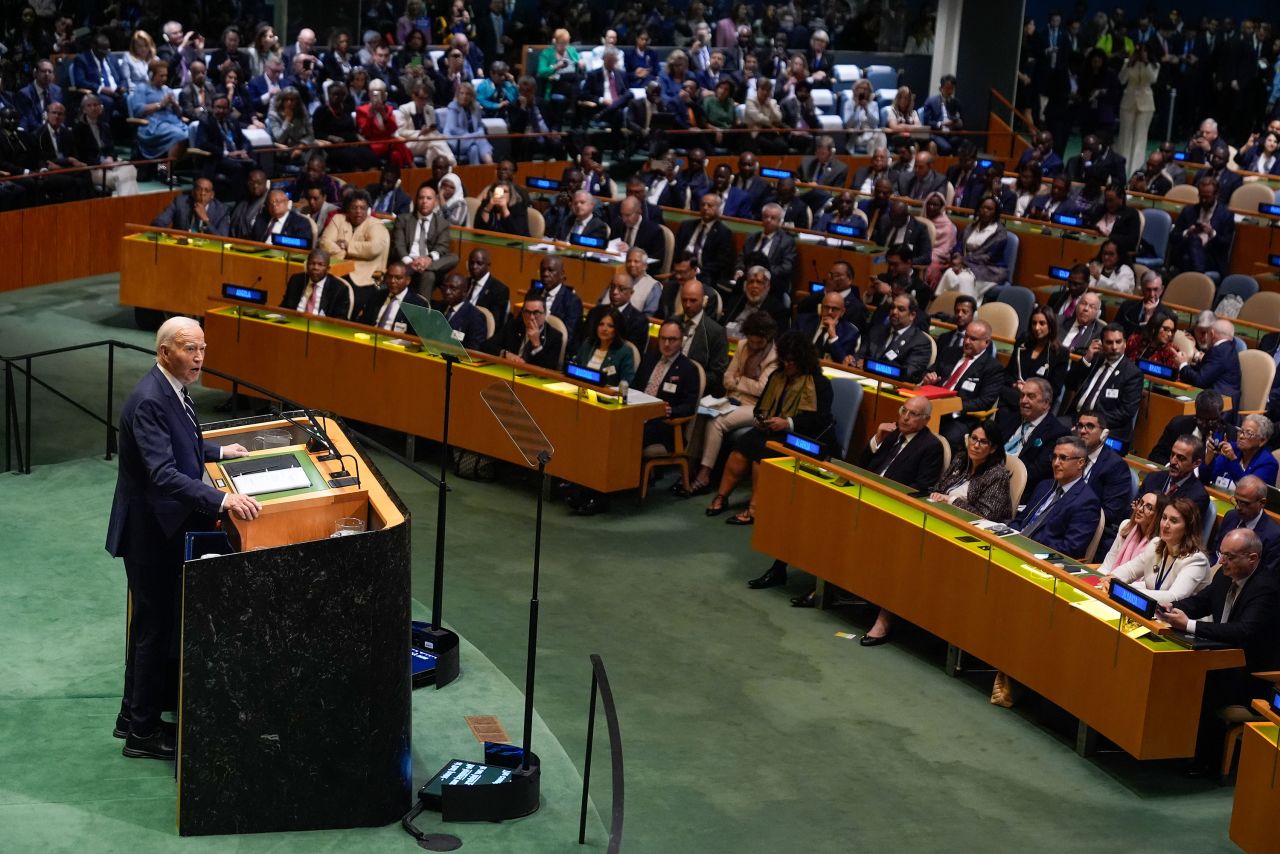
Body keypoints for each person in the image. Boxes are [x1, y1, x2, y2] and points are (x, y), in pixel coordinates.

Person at [106, 317, 261, 760]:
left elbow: (180, 443)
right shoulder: (150, 400)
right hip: (152, 533)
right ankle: (143, 734)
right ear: (164, 352)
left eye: (203, 349)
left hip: (162, 526)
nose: (198, 358)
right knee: (154, 629)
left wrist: (216, 451)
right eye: (190, 349)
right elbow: (163, 472)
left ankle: (130, 717)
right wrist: (222, 501)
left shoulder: (171, 390)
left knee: (151, 627)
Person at [1163, 528, 1280, 774]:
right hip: (1222, 661)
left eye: (1230, 556)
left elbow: (1243, 632)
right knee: (1180, 673)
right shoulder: (1224, 576)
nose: (1222, 562)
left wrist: (1190, 625)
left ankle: (1206, 761)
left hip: (1253, 675)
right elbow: (1200, 602)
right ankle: (1172, 745)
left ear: (1252, 558)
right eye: (1221, 554)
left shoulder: (1265, 588)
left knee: (1200, 684)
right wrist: (1169, 608)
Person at [707, 331, 833, 525]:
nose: (787, 365)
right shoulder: (777, 375)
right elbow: (760, 406)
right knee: (742, 446)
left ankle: (755, 509)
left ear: (802, 359)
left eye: (792, 361)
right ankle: (722, 497)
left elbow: (820, 420)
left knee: (762, 454)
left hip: (799, 436)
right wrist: (759, 418)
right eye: (784, 360)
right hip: (771, 430)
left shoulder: (819, 384)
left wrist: (788, 423)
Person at [679, 312, 778, 499]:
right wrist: (743, 381)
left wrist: (738, 380)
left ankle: (704, 474)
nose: (754, 347)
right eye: (752, 342)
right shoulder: (742, 346)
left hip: (756, 407)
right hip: (731, 398)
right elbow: (726, 378)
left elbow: (762, 389)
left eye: (759, 343)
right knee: (700, 411)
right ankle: (688, 466)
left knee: (715, 422)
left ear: (768, 338)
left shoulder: (775, 357)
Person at [1010, 436, 1104, 559]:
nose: (1055, 463)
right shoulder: (1044, 485)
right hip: (1014, 546)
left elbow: (1070, 549)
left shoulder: (1087, 502)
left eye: (1063, 458)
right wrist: (1008, 534)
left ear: (1080, 463)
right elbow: (1022, 520)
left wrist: (1029, 543)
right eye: (1054, 457)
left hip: (1041, 559)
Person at [919, 319, 1005, 447]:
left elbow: (985, 401)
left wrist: (951, 406)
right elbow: (929, 371)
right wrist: (927, 378)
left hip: (960, 418)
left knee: (945, 439)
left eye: (973, 339)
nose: (967, 341)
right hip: (931, 407)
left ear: (986, 342)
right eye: (966, 336)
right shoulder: (950, 352)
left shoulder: (992, 367)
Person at [1064, 323, 1143, 441]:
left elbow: (1126, 412)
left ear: (1125, 343)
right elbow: (1069, 383)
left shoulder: (1132, 373)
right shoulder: (1094, 360)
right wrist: (1086, 359)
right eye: (1109, 342)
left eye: (1118, 342)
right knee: (1051, 427)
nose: (1114, 347)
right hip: (1075, 418)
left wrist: (1091, 423)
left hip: (1105, 427)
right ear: (1101, 343)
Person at [633, 320, 702, 451]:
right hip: (637, 415)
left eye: (672, 340)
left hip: (664, 424)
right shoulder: (649, 359)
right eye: (663, 338)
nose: (666, 344)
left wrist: (671, 411)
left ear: (681, 341)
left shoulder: (688, 369)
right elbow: (635, 387)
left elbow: (689, 406)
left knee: (632, 434)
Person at [391, 184, 458, 296]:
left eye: (428, 198)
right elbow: (399, 245)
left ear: (435, 202)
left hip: (428, 262)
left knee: (453, 258)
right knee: (429, 274)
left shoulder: (442, 224)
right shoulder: (403, 219)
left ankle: (421, 311)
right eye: (421, 198)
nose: (424, 201)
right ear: (416, 200)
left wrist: (427, 260)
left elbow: (442, 247)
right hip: (407, 263)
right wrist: (411, 262)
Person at [128, 60, 189, 180]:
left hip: (171, 122)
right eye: (161, 75)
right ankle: (167, 173)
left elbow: (179, 113)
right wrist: (160, 104)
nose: (164, 78)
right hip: (151, 124)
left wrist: (175, 105)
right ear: (151, 75)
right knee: (179, 136)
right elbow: (138, 110)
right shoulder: (142, 88)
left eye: (166, 75)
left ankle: (164, 169)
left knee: (189, 134)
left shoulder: (167, 90)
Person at [1209, 476, 1280, 577]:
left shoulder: (1274, 536)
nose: (1238, 507)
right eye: (1236, 501)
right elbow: (1215, 551)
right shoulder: (1231, 516)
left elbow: (1266, 576)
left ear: (1262, 503)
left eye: (1245, 503)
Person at [853, 293, 933, 383]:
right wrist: (852, 360)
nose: (894, 312)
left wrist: (870, 365)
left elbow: (909, 373)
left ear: (912, 315)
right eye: (892, 307)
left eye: (901, 309)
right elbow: (860, 355)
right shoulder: (877, 330)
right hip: (863, 379)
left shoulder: (920, 342)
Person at [320, 190, 391, 289]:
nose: (358, 211)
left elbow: (373, 248)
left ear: (368, 210)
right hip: (335, 268)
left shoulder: (376, 225)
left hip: (364, 274)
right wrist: (344, 254)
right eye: (354, 208)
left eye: (362, 208)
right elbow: (324, 243)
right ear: (348, 209)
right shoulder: (338, 219)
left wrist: (347, 246)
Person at [73, 94, 138, 197]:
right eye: (89, 105)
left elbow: (112, 149)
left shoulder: (105, 126)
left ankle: (127, 206)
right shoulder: (78, 129)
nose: (93, 108)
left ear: (100, 108)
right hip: (93, 168)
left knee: (130, 168)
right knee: (124, 177)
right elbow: (82, 155)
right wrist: (101, 163)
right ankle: (129, 207)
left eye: (96, 105)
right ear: (84, 110)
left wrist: (111, 157)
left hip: (110, 164)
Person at [1169, 176, 1234, 275]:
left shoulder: (1226, 214)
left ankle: (1197, 274)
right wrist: (1187, 232)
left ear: (1216, 195)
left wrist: (1212, 233)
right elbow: (1173, 237)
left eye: (1207, 197)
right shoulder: (1188, 211)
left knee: (1191, 251)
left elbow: (1226, 244)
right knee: (1193, 240)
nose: (1203, 200)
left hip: (1211, 257)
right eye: (1201, 196)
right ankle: (1199, 275)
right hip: (1185, 253)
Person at [1141, 435, 1211, 524]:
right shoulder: (1152, 479)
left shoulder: (1197, 497)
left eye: (1181, 458)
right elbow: (1133, 510)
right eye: (1172, 454)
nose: (1173, 462)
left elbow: (1182, 531)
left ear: (1196, 463)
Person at [1202, 414, 1278, 492]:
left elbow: (1248, 491)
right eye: (1241, 431)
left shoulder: (1268, 464)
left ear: (1262, 441)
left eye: (1248, 433)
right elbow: (1204, 479)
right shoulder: (1232, 448)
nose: (1241, 436)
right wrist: (1209, 458)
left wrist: (1233, 460)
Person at [487, 294, 564, 369]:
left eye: (536, 313)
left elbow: (549, 368)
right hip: (508, 370)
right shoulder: (514, 325)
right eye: (527, 312)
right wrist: (505, 354)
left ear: (544, 314)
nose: (531, 317)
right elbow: (488, 345)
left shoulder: (555, 336)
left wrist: (536, 345)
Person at [1116, 44, 1160, 174]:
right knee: (1124, 138)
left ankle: (1136, 172)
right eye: (1140, 51)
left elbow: (1153, 79)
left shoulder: (1154, 65)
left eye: (1145, 51)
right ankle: (1121, 170)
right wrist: (1129, 63)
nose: (1142, 53)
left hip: (1146, 104)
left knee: (1140, 139)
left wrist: (1146, 63)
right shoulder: (1128, 62)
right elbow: (1122, 79)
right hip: (1128, 102)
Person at [1177, 318, 1242, 406]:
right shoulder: (1229, 348)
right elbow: (1207, 369)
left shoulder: (1220, 351)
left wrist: (1183, 364)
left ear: (1212, 333)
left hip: (1217, 408)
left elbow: (1199, 381)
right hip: (1221, 403)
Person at [1098, 491, 1166, 573]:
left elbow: (1146, 582)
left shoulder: (1159, 544)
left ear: (1158, 515)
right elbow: (1107, 565)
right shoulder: (1125, 525)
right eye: (1141, 503)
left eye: (1149, 507)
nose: (1140, 509)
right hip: (1108, 580)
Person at [959, 196, 1010, 300]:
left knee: (962, 278)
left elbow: (989, 257)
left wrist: (964, 260)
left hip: (990, 269)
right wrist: (956, 257)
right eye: (983, 207)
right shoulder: (970, 227)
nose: (985, 211)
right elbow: (959, 245)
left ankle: (969, 309)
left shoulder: (1000, 232)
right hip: (967, 265)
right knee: (950, 273)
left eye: (989, 209)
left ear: (995, 212)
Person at [282, 248, 352, 319]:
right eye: (312, 263)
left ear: (328, 269)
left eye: (320, 265)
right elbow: (284, 307)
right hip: (293, 323)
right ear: (306, 266)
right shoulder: (296, 280)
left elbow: (340, 320)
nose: (315, 267)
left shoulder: (339, 289)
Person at [357, 80, 413, 168]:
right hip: (372, 143)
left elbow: (393, 129)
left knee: (396, 155)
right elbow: (365, 133)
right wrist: (370, 116)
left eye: (380, 94)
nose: (377, 96)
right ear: (369, 94)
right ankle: (412, 166)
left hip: (388, 142)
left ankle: (403, 176)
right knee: (399, 142)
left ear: (384, 95)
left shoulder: (388, 109)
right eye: (373, 94)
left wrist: (384, 115)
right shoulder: (362, 110)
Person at [151, 178, 230, 235]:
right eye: (199, 189)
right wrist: (169, 235)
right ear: (192, 192)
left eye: (207, 190)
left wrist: (205, 220)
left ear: (212, 195)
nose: (202, 193)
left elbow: (222, 238)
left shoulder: (222, 210)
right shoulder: (180, 202)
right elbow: (159, 222)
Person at [432, 272, 489, 348]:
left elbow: (474, 348)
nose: (447, 291)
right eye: (445, 287)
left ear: (465, 292)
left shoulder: (476, 317)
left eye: (453, 288)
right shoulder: (436, 307)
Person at [1116, 270, 1176, 337]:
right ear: (1141, 290)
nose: (1152, 294)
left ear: (1162, 290)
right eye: (1148, 290)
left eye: (1155, 289)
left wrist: (1148, 317)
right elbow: (1115, 329)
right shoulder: (1127, 307)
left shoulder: (1169, 315)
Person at [464, 248, 511, 323]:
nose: (474, 266)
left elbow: (496, 321)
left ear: (488, 265)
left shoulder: (499, 290)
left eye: (479, 263)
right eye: (471, 263)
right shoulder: (464, 283)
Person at [922, 192, 958, 288]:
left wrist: (926, 255)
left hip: (937, 259)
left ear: (941, 207)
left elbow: (944, 251)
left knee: (930, 267)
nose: (931, 207)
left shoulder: (948, 226)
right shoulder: (921, 220)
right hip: (920, 253)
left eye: (935, 205)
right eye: (929, 204)